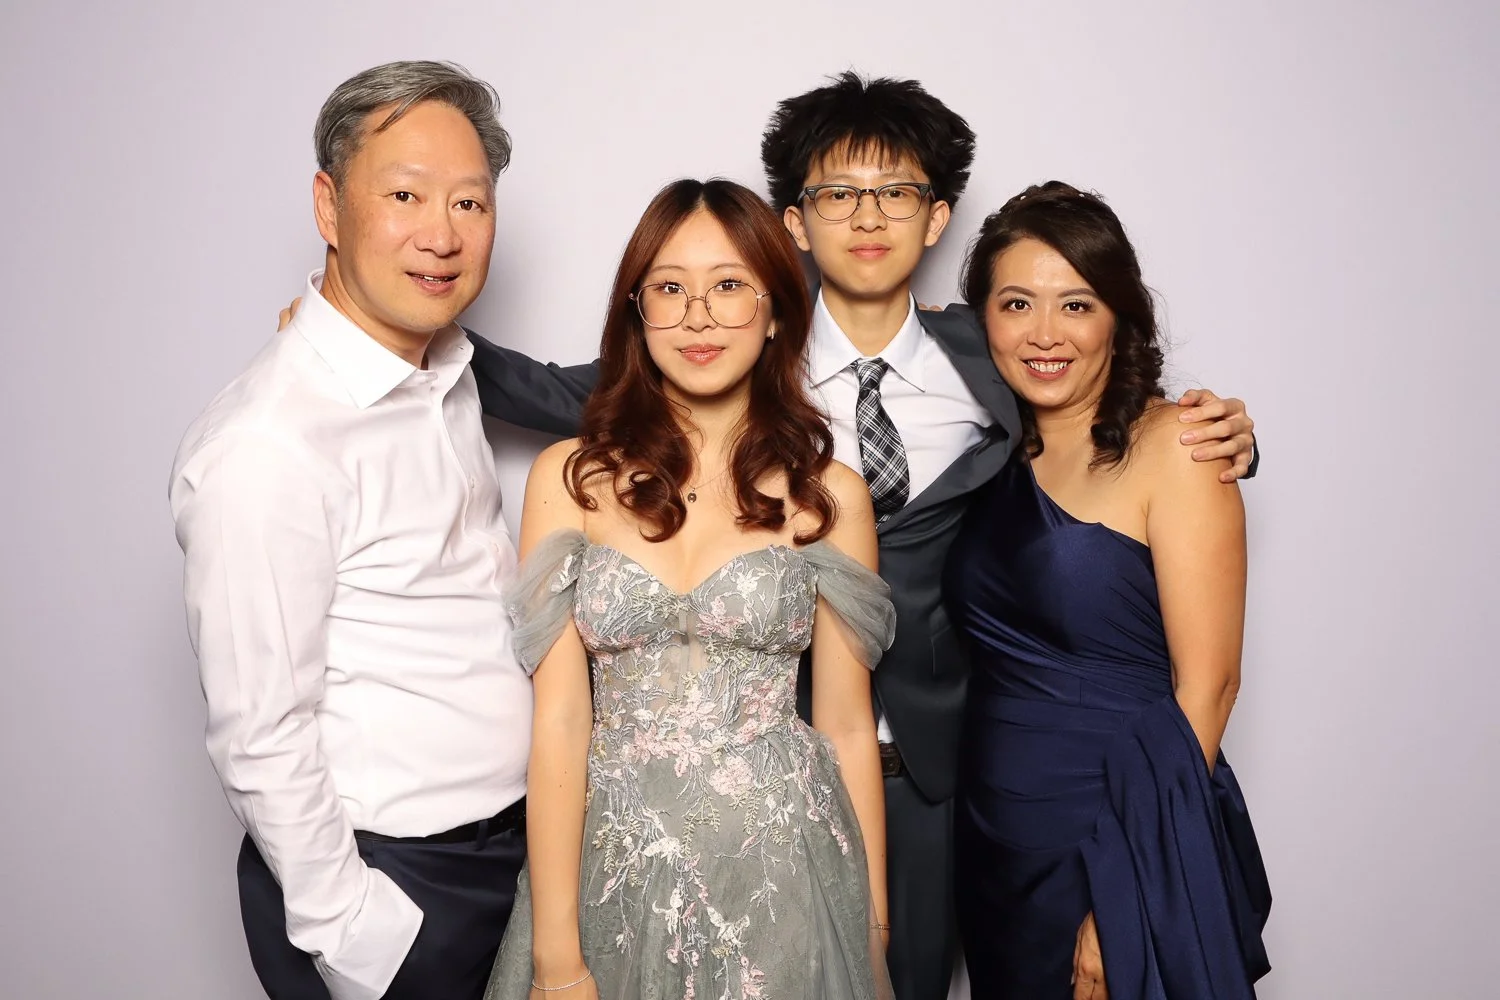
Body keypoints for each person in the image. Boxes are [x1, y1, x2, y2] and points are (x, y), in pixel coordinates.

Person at [419, 72, 1260, 1000]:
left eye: (895, 192)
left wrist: (1218, 437)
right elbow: (550, 387)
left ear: (936, 218)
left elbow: (1100, 410)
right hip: (727, 773)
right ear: (795, 222)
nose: (867, 217)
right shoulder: (713, 339)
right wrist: (378, 321)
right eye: (837, 194)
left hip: (946, 768)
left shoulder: (996, 351)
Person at [480, 177, 897, 1000]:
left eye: (729, 286)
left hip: (786, 878)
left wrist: (873, 928)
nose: (698, 317)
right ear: (637, 311)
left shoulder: (829, 494)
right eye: (670, 288)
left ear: (775, 312)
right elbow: (559, 721)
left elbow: (847, 726)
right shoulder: (571, 479)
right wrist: (557, 955)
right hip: (613, 873)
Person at [169, 61, 531, 1000]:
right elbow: (259, 732)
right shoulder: (268, 443)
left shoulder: (445, 371)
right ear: (329, 207)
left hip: (511, 856)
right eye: (404, 196)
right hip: (396, 883)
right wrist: (360, 938)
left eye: (469, 202)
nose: (442, 235)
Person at [945, 181, 1272, 999]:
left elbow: (1210, 688)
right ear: (982, 320)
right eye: (1016, 304)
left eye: (1076, 305)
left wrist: (1125, 892)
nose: (1044, 333)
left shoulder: (1181, 446)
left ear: (1118, 319)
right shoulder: (990, 453)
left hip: (1114, 832)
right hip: (993, 840)